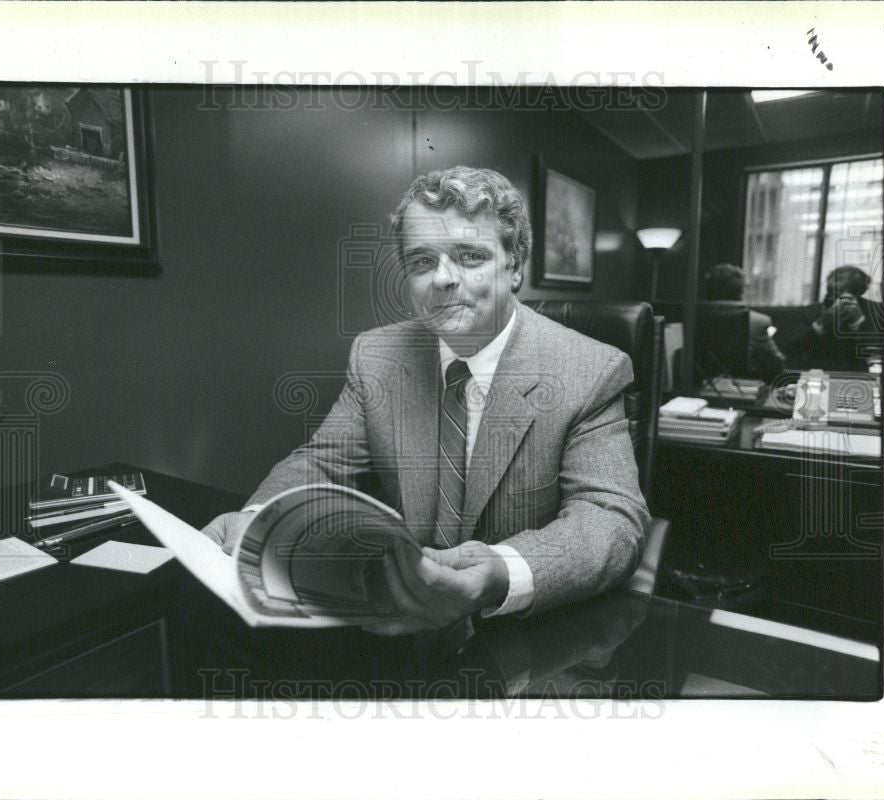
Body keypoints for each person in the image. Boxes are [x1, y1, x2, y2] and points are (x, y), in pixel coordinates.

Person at [202, 166, 650, 635]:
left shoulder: (589, 369)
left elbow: (610, 519)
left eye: (470, 256)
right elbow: (322, 463)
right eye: (421, 261)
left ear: (515, 267)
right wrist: (256, 524)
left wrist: (501, 572)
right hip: (398, 623)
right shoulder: (377, 356)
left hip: (525, 641)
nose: (441, 279)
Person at [785, 265, 884, 372]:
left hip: (860, 374)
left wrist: (858, 322)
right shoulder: (810, 312)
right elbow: (790, 349)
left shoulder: (875, 311)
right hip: (819, 373)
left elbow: (879, 352)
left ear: (860, 292)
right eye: (830, 291)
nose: (834, 299)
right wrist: (821, 323)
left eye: (840, 293)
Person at [703, 263, 786, 380]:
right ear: (740, 291)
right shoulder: (759, 322)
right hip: (743, 390)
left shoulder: (691, 319)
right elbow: (777, 363)